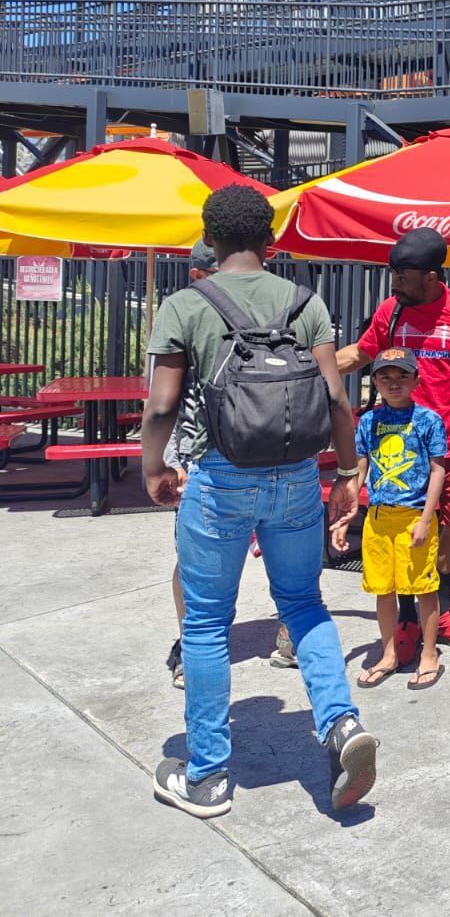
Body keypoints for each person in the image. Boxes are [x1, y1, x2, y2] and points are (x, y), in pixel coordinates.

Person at [142, 184, 377, 818]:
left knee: (206, 623)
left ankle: (210, 775)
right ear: (269, 239)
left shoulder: (186, 304)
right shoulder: (305, 302)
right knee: (303, 604)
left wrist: (153, 466)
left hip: (218, 478)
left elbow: (163, 403)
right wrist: (349, 474)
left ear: (209, 238)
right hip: (298, 478)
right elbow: (335, 401)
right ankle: (341, 724)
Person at [339, 228, 450, 654]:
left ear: (431, 275)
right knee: (407, 530)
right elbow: (362, 353)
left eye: (402, 276)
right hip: (401, 447)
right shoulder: (391, 311)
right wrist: (310, 370)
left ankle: (439, 610)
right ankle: (408, 619)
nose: (394, 283)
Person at [163, 242, 298, 691]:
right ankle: (291, 637)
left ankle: (191, 649)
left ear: (203, 273)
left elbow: (164, 403)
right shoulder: (288, 305)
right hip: (280, 456)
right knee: (290, 569)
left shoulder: (186, 311)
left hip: (209, 463)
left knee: (195, 567)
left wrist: (164, 463)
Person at [342, 347, 447, 691]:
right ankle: (388, 653)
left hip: (415, 515)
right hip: (378, 518)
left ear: (416, 380)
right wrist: (349, 508)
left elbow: (437, 470)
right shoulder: (369, 421)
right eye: (385, 377)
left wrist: (425, 518)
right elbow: (361, 466)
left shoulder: (428, 420)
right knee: (382, 588)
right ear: (374, 382)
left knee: (423, 588)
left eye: (402, 376)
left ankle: (428, 653)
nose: (394, 383)